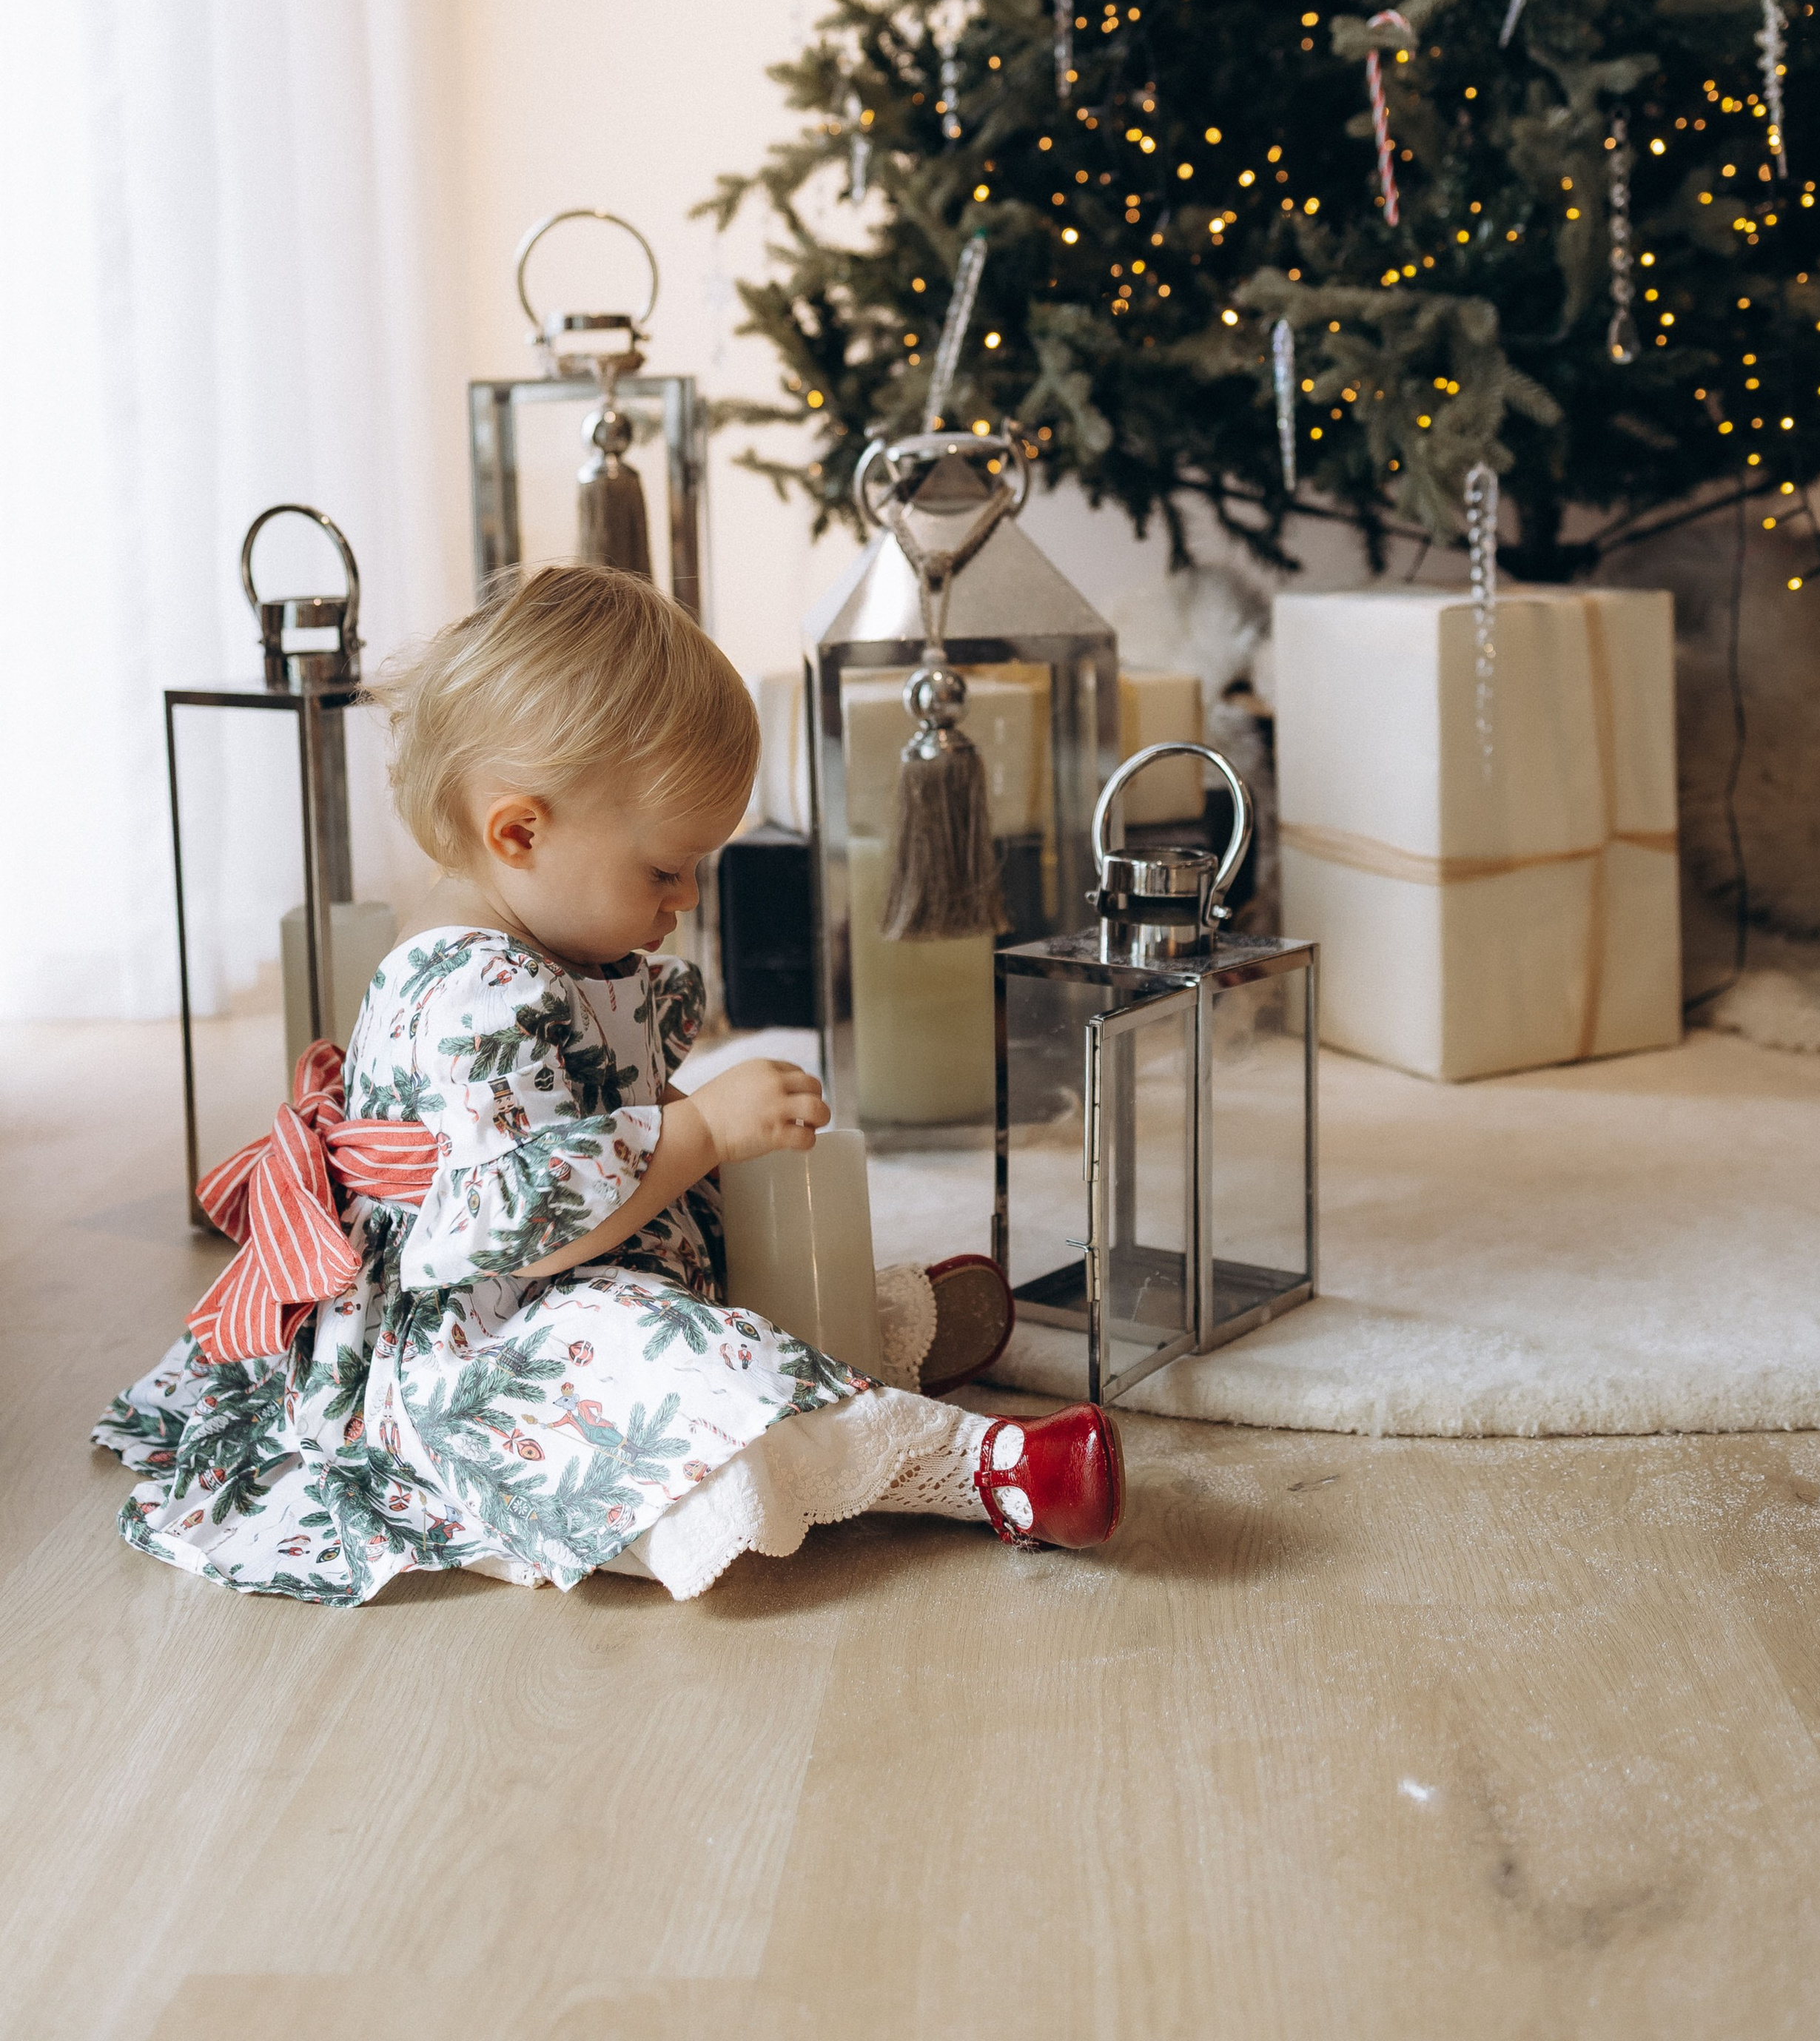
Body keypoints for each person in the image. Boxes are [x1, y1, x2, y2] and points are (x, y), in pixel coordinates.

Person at [95, 565, 1123, 1604]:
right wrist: (704, 1128)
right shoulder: (473, 997)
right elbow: (539, 1229)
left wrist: (691, 1131)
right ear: (520, 833)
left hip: (603, 1260)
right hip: (481, 1343)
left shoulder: (550, 945)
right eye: (664, 870)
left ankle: (862, 1337)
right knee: (657, 1365)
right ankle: (976, 1467)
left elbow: (593, 1119)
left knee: (740, 1261)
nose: (685, 899)